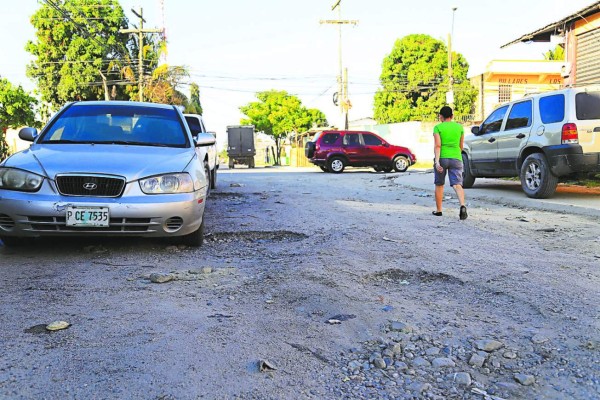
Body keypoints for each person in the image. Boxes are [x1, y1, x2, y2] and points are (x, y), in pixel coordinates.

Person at [432, 106, 468, 220]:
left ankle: (439, 210)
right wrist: (457, 154)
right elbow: (461, 146)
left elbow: (438, 145)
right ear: (452, 116)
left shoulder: (438, 127)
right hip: (456, 158)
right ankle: (462, 205)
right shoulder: (459, 127)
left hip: (442, 158)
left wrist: (437, 162)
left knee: (439, 184)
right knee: (457, 184)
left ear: (440, 116)